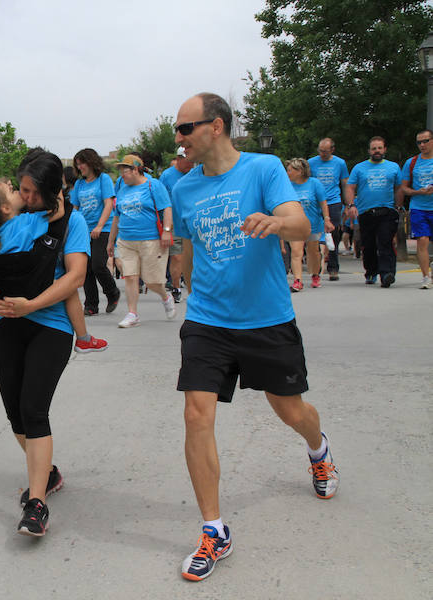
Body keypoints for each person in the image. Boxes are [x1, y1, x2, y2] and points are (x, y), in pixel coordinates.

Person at [172, 93, 338, 582]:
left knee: (291, 411)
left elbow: (302, 224)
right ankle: (214, 530)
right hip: (207, 319)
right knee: (195, 412)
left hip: (266, 318)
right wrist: (181, 284)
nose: (178, 138)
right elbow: (189, 245)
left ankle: (319, 451)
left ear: (216, 126)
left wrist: (277, 222)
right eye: (176, 129)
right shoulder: (183, 189)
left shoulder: (263, 168)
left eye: (186, 128)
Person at [0, 148, 89, 537]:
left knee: (33, 408)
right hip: (9, 324)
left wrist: (32, 305)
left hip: (51, 325)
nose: (24, 197)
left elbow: (74, 278)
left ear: (51, 189)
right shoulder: (9, 224)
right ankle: (48, 473)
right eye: (20, 189)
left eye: (31, 191)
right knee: (14, 414)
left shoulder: (71, 221)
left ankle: (37, 503)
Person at [0, 178, 107, 353]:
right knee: (67, 288)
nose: (18, 191)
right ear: (5, 208)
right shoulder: (25, 223)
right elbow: (58, 211)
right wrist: (53, 183)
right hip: (32, 291)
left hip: (4, 302)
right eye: (12, 191)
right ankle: (83, 338)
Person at [107, 155, 176, 326]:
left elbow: (166, 209)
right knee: (130, 276)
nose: (122, 174)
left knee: (152, 280)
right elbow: (116, 217)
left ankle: (165, 297)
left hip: (150, 240)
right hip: (126, 240)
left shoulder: (153, 185)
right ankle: (132, 313)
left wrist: (167, 231)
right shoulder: (122, 189)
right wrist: (110, 241)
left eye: (125, 171)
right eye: (121, 171)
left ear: (136, 170)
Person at [344, 137, 403, 287]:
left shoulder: (394, 167)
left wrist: (398, 207)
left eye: (379, 148)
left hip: (387, 211)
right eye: (374, 148)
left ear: (385, 149)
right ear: (369, 151)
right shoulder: (359, 168)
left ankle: (387, 274)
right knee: (369, 245)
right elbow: (350, 187)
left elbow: (399, 189)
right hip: (366, 212)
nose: (377, 151)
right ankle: (371, 271)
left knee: (385, 242)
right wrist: (351, 205)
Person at [70, 148, 120, 315]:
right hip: (84, 230)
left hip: (103, 228)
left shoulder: (103, 180)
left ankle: (112, 292)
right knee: (86, 268)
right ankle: (91, 305)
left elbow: (108, 205)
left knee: (98, 264)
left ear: (91, 162)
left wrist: (99, 226)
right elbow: (75, 208)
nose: (80, 167)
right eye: (77, 164)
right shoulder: (79, 184)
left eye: (82, 163)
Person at [285, 158, 333, 291]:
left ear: (299, 171)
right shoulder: (287, 185)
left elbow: (323, 203)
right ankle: (297, 281)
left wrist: (327, 219)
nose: (287, 173)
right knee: (296, 252)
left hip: (313, 224)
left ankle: (315, 275)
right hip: (295, 225)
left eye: (290, 170)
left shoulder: (314, 183)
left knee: (313, 252)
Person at [308, 139, 350, 280]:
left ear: (332, 150)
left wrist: (347, 204)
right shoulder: (312, 162)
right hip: (316, 202)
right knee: (314, 234)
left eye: (325, 151)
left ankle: (333, 267)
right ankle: (316, 267)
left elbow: (344, 184)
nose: (322, 154)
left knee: (334, 234)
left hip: (333, 201)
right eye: (320, 151)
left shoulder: (340, 163)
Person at [399, 129, 433, 288]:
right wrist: (418, 192)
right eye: (419, 142)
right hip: (419, 207)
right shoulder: (411, 162)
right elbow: (403, 188)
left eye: (425, 141)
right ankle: (426, 276)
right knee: (422, 241)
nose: (422, 145)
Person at [159, 147, 194, 302]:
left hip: (194, 221)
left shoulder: (197, 172)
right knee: (177, 258)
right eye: (187, 161)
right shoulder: (167, 176)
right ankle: (176, 286)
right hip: (175, 223)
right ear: (179, 158)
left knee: (195, 257)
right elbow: (161, 201)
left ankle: (195, 287)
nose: (190, 164)